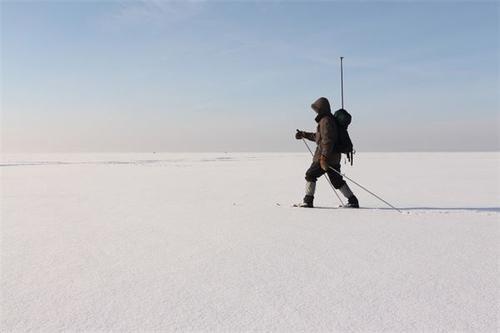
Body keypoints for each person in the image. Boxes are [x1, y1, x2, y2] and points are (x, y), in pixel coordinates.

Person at [295, 97, 359, 208]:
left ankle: (308, 201)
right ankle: (353, 201)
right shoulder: (326, 120)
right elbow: (318, 137)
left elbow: (328, 140)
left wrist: (323, 157)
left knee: (310, 174)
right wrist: (304, 134)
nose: (315, 111)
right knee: (337, 181)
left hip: (325, 158)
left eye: (316, 108)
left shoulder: (326, 120)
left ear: (321, 108)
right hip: (332, 157)